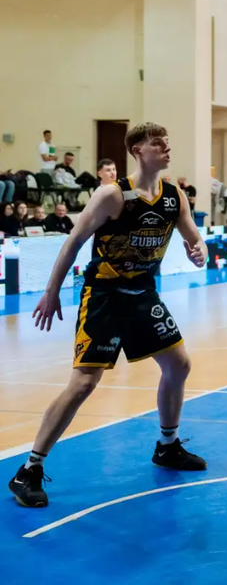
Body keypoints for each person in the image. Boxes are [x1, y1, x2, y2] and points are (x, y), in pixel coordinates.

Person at [8, 122, 208, 509]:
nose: (166, 148)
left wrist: (196, 248)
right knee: (84, 383)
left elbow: (191, 236)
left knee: (178, 365)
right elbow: (73, 242)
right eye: (157, 143)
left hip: (143, 295)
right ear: (137, 150)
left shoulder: (174, 197)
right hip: (104, 295)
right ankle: (29, 469)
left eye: (168, 142)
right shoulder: (112, 195)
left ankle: (167, 446)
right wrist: (51, 292)